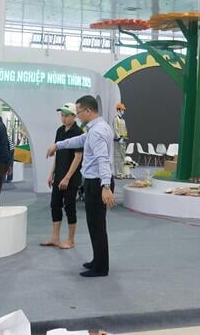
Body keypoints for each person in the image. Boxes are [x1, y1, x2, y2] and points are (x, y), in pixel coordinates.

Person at [47, 95, 115, 277]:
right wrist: (58, 145)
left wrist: (106, 186)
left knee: (97, 226)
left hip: (98, 183)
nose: (77, 116)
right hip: (96, 182)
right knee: (94, 225)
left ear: (88, 111)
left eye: (78, 112)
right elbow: (79, 140)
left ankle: (101, 268)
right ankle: (97, 261)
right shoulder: (97, 128)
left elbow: (103, 160)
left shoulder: (97, 131)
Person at [41, 103, 83, 249]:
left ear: (74, 116)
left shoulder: (78, 132)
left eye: (66, 115)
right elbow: (57, 154)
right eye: (62, 115)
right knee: (55, 205)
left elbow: (78, 157)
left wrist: (67, 177)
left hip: (71, 177)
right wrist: (51, 174)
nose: (63, 118)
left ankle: (70, 240)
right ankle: (55, 238)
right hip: (59, 175)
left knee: (69, 206)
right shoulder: (59, 130)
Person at [113, 103, 128, 179]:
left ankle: (122, 173)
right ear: (118, 110)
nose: (123, 111)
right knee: (118, 157)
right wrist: (119, 138)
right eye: (122, 110)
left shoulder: (123, 120)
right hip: (118, 141)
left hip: (123, 141)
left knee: (122, 157)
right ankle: (118, 174)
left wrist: (125, 138)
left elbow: (125, 130)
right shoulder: (116, 119)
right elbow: (115, 129)